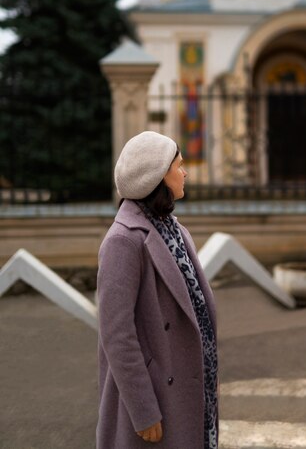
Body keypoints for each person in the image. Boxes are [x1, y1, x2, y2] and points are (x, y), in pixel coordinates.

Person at [96, 131, 218, 449]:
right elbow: (116, 334)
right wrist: (143, 410)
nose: (185, 171)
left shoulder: (174, 229)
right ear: (158, 176)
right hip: (156, 398)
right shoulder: (123, 240)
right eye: (178, 165)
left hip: (189, 387)